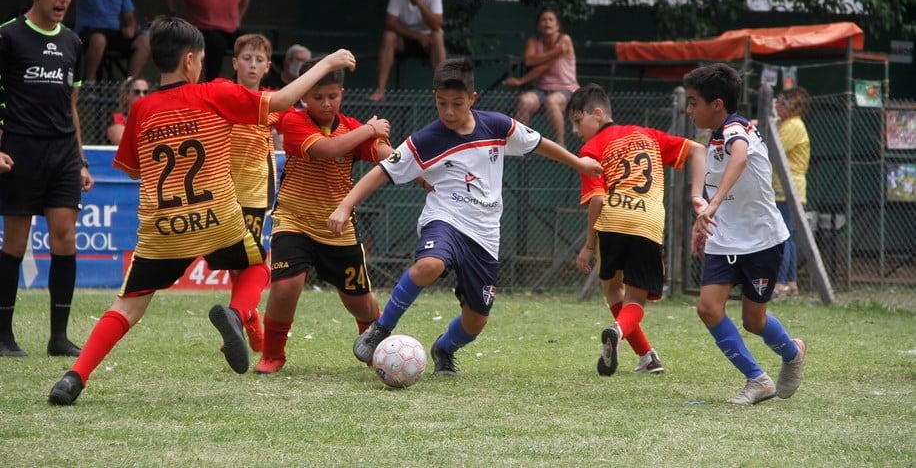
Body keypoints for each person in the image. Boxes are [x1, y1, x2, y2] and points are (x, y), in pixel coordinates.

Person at [46, 16, 355, 405]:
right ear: (191, 60)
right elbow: (278, 102)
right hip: (217, 217)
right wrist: (326, 64)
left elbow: (134, 168)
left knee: (127, 305)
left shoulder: (141, 109)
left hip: (162, 228)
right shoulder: (214, 92)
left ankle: (76, 376)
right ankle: (238, 314)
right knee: (258, 266)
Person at [329, 58, 602, 375]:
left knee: (476, 321)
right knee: (429, 265)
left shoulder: (497, 126)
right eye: (441, 103)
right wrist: (345, 205)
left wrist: (580, 164)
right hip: (445, 220)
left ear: (472, 100)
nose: (448, 111)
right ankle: (381, 328)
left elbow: (539, 143)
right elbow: (382, 171)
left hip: (485, 236)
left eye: (457, 104)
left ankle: (444, 348)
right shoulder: (425, 140)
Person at [255, 57, 393, 374]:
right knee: (286, 286)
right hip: (293, 219)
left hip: (338, 228)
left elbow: (387, 156)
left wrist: (418, 172)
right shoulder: (293, 121)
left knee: (360, 301)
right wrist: (370, 129)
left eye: (333, 96)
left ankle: (375, 348)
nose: (326, 103)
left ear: (341, 93)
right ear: (304, 97)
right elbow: (330, 150)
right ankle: (273, 353)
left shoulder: (354, 128)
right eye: (318, 97)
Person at [684, 63, 806, 405]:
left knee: (754, 321)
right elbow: (700, 163)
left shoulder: (738, 130)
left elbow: (739, 158)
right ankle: (757, 379)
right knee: (708, 308)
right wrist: (702, 207)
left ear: (717, 104)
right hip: (724, 241)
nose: (689, 109)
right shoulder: (712, 137)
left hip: (761, 241)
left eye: (694, 102)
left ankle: (792, 351)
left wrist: (714, 202)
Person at [568, 83, 706, 376]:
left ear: (597, 113)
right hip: (648, 222)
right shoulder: (648, 135)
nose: (576, 131)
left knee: (612, 290)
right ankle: (641, 352)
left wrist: (589, 246)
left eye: (578, 122)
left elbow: (597, 199)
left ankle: (635, 347)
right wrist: (697, 195)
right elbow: (697, 149)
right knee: (636, 299)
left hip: (613, 221)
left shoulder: (590, 149)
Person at [0, 0, 94, 358]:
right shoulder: (8, 37)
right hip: (20, 151)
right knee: (16, 241)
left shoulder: (73, 43)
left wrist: (82, 160)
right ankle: (3, 335)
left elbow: (71, 107)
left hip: (62, 154)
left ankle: (58, 337)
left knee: (65, 238)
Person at [216, 32, 284, 352]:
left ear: (267, 67)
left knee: (253, 260)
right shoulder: (222, 95)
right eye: (247, 59)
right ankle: (247, 318)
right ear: (235, 63)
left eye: (259, 60)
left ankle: (245, 322)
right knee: (234, 264)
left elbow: (295, 127)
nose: (252, 65)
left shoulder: (274, 103)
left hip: (256, 193)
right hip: (222, 191)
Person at [162, 0, 250, 81]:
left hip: (231, 29)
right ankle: (211, 81)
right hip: (205, 29)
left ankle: (242, 81)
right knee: (217, 44)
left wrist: (239, 17)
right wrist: (173, 12)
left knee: (248, 43)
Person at [368, 0, 446, 102]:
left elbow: (437, 25)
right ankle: (380, 91)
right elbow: (390, 22)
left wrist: (420, 3)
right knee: (388, 36)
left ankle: (442, 90)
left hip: (429, 43)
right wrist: (417, 36)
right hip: (405, 40)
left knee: (437, 36)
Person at [72, 0, 151, 84]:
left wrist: (130, 28)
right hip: (88, 32)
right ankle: (90, 84)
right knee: (99, 39)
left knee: (145, 41)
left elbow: (129, 18)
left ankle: (130, 85)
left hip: (113, 33)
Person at [503, 8, 579, 147]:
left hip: (566, 88)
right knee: (525, 100)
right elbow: (529, 61)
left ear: (557, 25)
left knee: (552, 101)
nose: (547, 23)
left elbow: (543, 65)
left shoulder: (564, 39)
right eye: (543, 20)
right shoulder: (533, 41)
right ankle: (519, 142)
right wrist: (555, 53)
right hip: (541, 89)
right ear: (538, 26)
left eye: (551, 20)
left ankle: (560, 144)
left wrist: (522, 80)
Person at [772, 87, 810, 297]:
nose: (777, 106)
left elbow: (774, 148)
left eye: (780, 103)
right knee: (789, 236)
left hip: (787, 188)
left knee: (782, 236)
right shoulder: (786, 124)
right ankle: (791, 282)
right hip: (787, 188)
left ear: (791, 106)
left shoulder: (793, 126)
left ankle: (779, 283)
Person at [107, 76, 150, 145]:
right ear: (127, 95)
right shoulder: (118, 118)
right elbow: (121, 142)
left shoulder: (151, 118)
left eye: (145, 92)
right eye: (137, 92)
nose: (142, 95)